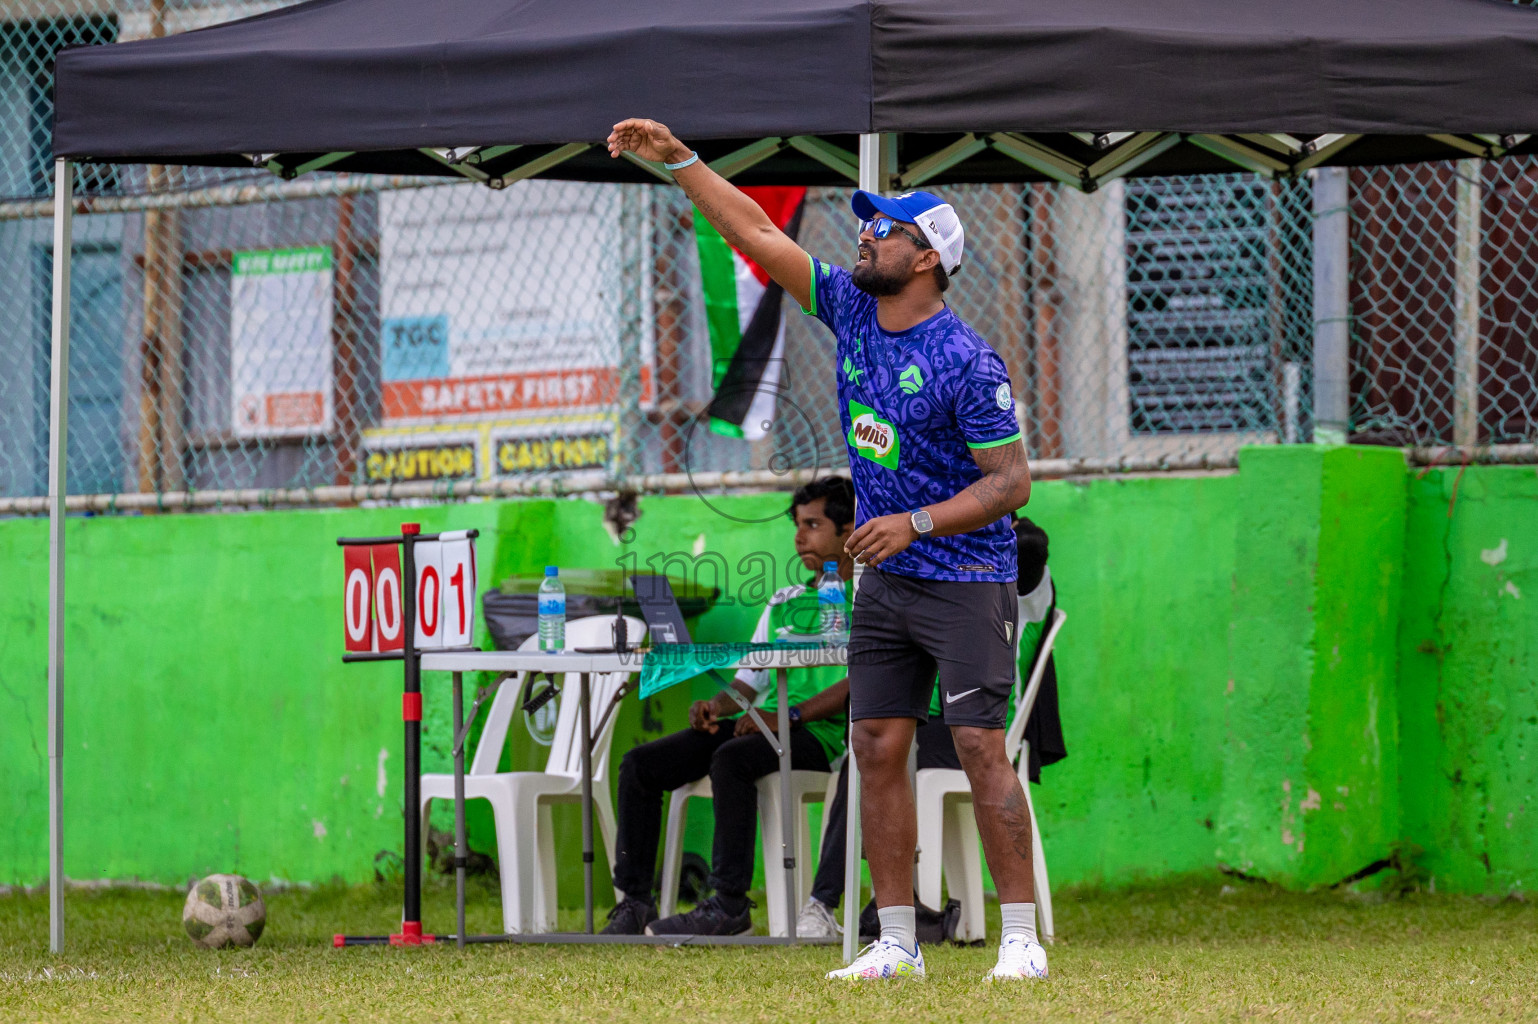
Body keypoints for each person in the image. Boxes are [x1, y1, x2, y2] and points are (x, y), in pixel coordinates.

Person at [607, 119, 1043, 981]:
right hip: (885, 586)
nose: (867, 234)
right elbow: (758, 232)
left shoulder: (967, 361)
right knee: (875, 745)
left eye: (887, 229)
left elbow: (1011, 484)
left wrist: (916, 523)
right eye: (868, 224)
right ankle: (895, 941)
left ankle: (1021, 939)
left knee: (978, 746)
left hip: (964, 580)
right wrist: (684, 161)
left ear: (927, 260)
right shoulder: (849, 305)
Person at [602, 477, 855, 937]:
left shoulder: (872, 599)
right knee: (640, 765)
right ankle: (635, 901)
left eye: (813, 525)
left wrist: (789, 716)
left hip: (823, 735)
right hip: (770, 724)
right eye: (797, 525)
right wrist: (718, 705)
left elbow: (864, 681)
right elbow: (750, 680)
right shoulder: (785, 602)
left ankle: (729, 902)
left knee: (731, 758)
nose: (800, 537)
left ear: (850, 528)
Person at [795, 515, 1066, 941]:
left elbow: (1029, 541)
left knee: (884, 748)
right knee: (874, 744)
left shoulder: (1022, 573)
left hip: (987, 727)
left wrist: (965, 524)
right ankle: (887, 913)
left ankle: (826, 901)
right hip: (936, 721)